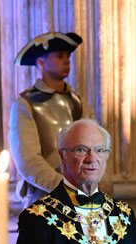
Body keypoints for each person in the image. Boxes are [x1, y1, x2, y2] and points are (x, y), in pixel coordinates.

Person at [9, 31, 94, 208]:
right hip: (43, 199)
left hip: (82, 198)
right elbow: (28, 161)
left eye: (68, 56)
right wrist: (65, 188)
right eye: (59, 56)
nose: (66, 60)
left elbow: (95, 151)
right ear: (40, 62)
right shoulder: (25, 104)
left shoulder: (80, 104)